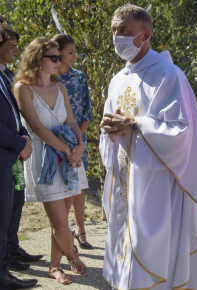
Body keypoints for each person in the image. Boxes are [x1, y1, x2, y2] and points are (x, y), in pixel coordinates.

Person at [100, 4, 197, 289]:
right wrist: (110, 132)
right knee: (124, 243)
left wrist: (136, 124)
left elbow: (180, 132)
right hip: (126, 179)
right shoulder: (117, 79)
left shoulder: (169, 74)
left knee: (152, 248)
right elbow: (113, 127)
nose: (116, 37)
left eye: (124, 31)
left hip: (156, 183)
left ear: (145, 34)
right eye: (113, 30)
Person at [14, 37, 87, 285]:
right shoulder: (22, 88)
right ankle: (73, 256)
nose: (59, 62)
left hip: (69, 157)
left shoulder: (61, 87)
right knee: (59, 223)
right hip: (44, 159)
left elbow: (72, 122)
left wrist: (80, 145)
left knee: (61, 221)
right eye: (53, 58)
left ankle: (55, 267)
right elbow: (36, 127)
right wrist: (68, 149)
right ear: (37, 59)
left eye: (59, 57)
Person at [0, 26, 44, 272]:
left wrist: (25, 136)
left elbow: (14, 113)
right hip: (7, 151)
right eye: (11, 46)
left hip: (13, 154)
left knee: (14, 205)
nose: (15, 52)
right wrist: (19, 144)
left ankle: (11, 249)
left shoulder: (6, 76)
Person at [52, 34, 93, 249]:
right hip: (54, 142)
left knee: (78, 186)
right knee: (58, 187)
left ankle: (80, 230)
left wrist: (79, 139)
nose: (74, 56)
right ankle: (62, 233)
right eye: (70, 52)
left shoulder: (79, 77)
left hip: (79, 141)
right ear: (56, 52)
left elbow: (88, 111)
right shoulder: (47, 77)